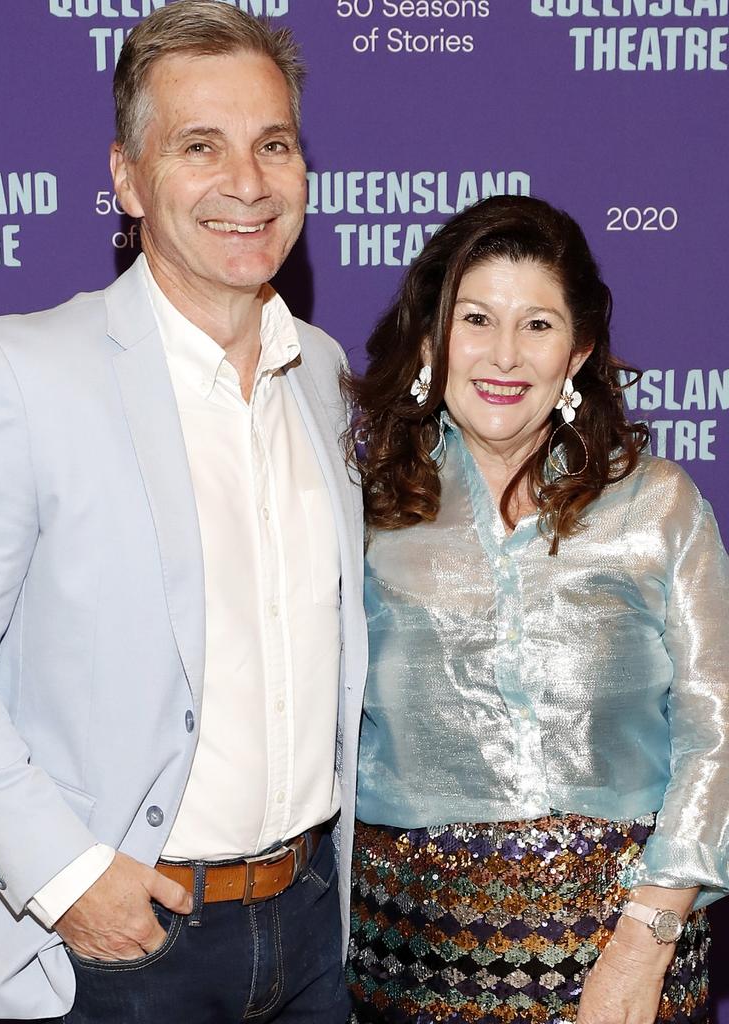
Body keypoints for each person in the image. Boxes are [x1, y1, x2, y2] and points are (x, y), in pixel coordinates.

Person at [0, 3, 367, 1022]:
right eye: (201, 146)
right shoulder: (21, 372)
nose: (247, 182)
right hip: (118, 944)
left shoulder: (319, 371)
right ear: (127, 178)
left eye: (274, 144)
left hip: (312, 930)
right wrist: (64, 875)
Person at [343, 194, 729, 1024]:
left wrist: (647, 939)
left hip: (626, 952)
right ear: (431, 336)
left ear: (580, 349)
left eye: (540, 325)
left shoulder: (657, 508)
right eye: (476, 318)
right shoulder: (362, 515)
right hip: (411, 957)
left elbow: (718, 728)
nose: (504, 356)